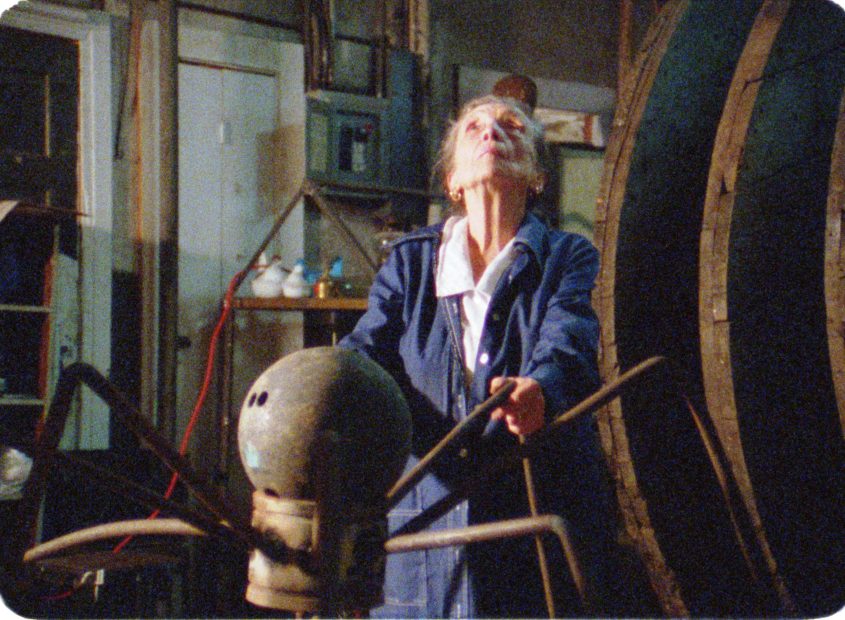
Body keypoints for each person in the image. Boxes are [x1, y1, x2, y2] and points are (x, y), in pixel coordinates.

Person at [338, 94, 620, 618]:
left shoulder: (568, 256)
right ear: (452, 181)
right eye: (474, 127)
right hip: (424, 524)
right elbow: (363, 356)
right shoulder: (411, 263)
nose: (493, 131)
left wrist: (543, 389)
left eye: (512, 126)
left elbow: (570, 339)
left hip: (531, 521)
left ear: (535, 175)